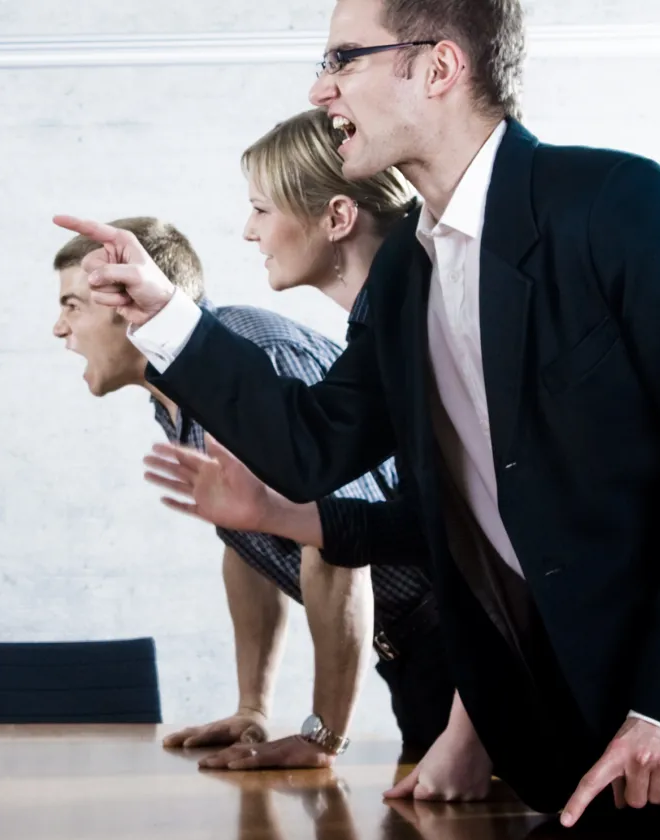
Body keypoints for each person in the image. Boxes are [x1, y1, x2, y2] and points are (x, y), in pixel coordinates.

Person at [56, 0, 660, 827]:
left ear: (440, 67)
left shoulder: (615, 203)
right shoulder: (405, 280)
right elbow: (314, 446)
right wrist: (168, 314)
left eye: (344, 59)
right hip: (560, 750)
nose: (320, 90)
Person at [142, 108, 475, 795]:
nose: (247, 230)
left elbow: (500, 545)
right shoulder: (382, 334)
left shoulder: (422, 325)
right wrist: (275, 517)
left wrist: (326, 733)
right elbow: (418, 523)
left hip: (479, 669)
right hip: (432, 667)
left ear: (338, 217)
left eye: (262, 208)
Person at [52, 215, 450, 773]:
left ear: (122, 301)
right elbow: (252, 540)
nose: (58, 328)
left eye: (72, 305)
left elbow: (335, 543)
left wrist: (324, 738)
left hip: (459, 646)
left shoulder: (251, 351)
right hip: (406, 653)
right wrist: (252, 708)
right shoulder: (175, 394)